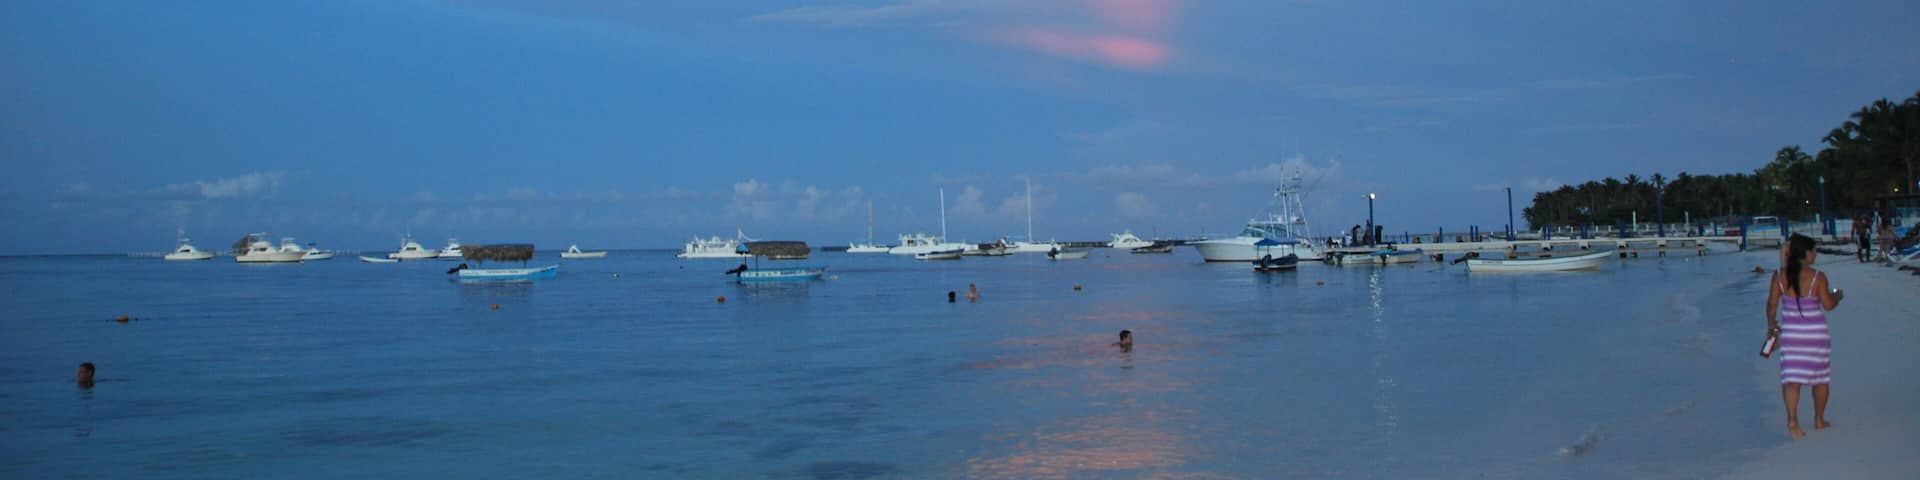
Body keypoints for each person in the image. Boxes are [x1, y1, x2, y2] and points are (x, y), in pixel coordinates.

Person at [1766, 233, 1843, 439]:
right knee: (1821, 380)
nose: (1815, 254)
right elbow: (1828, 305)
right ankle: (1819, 419)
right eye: (1814, 250)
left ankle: (1793, 422)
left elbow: (1772, 305)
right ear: (1806, 253)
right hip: (1816, 336)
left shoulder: (1779, 276)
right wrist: (1837, 295)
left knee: (1792, 381)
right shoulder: (1818, 277)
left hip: (1792, 337)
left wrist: (1771, 325)